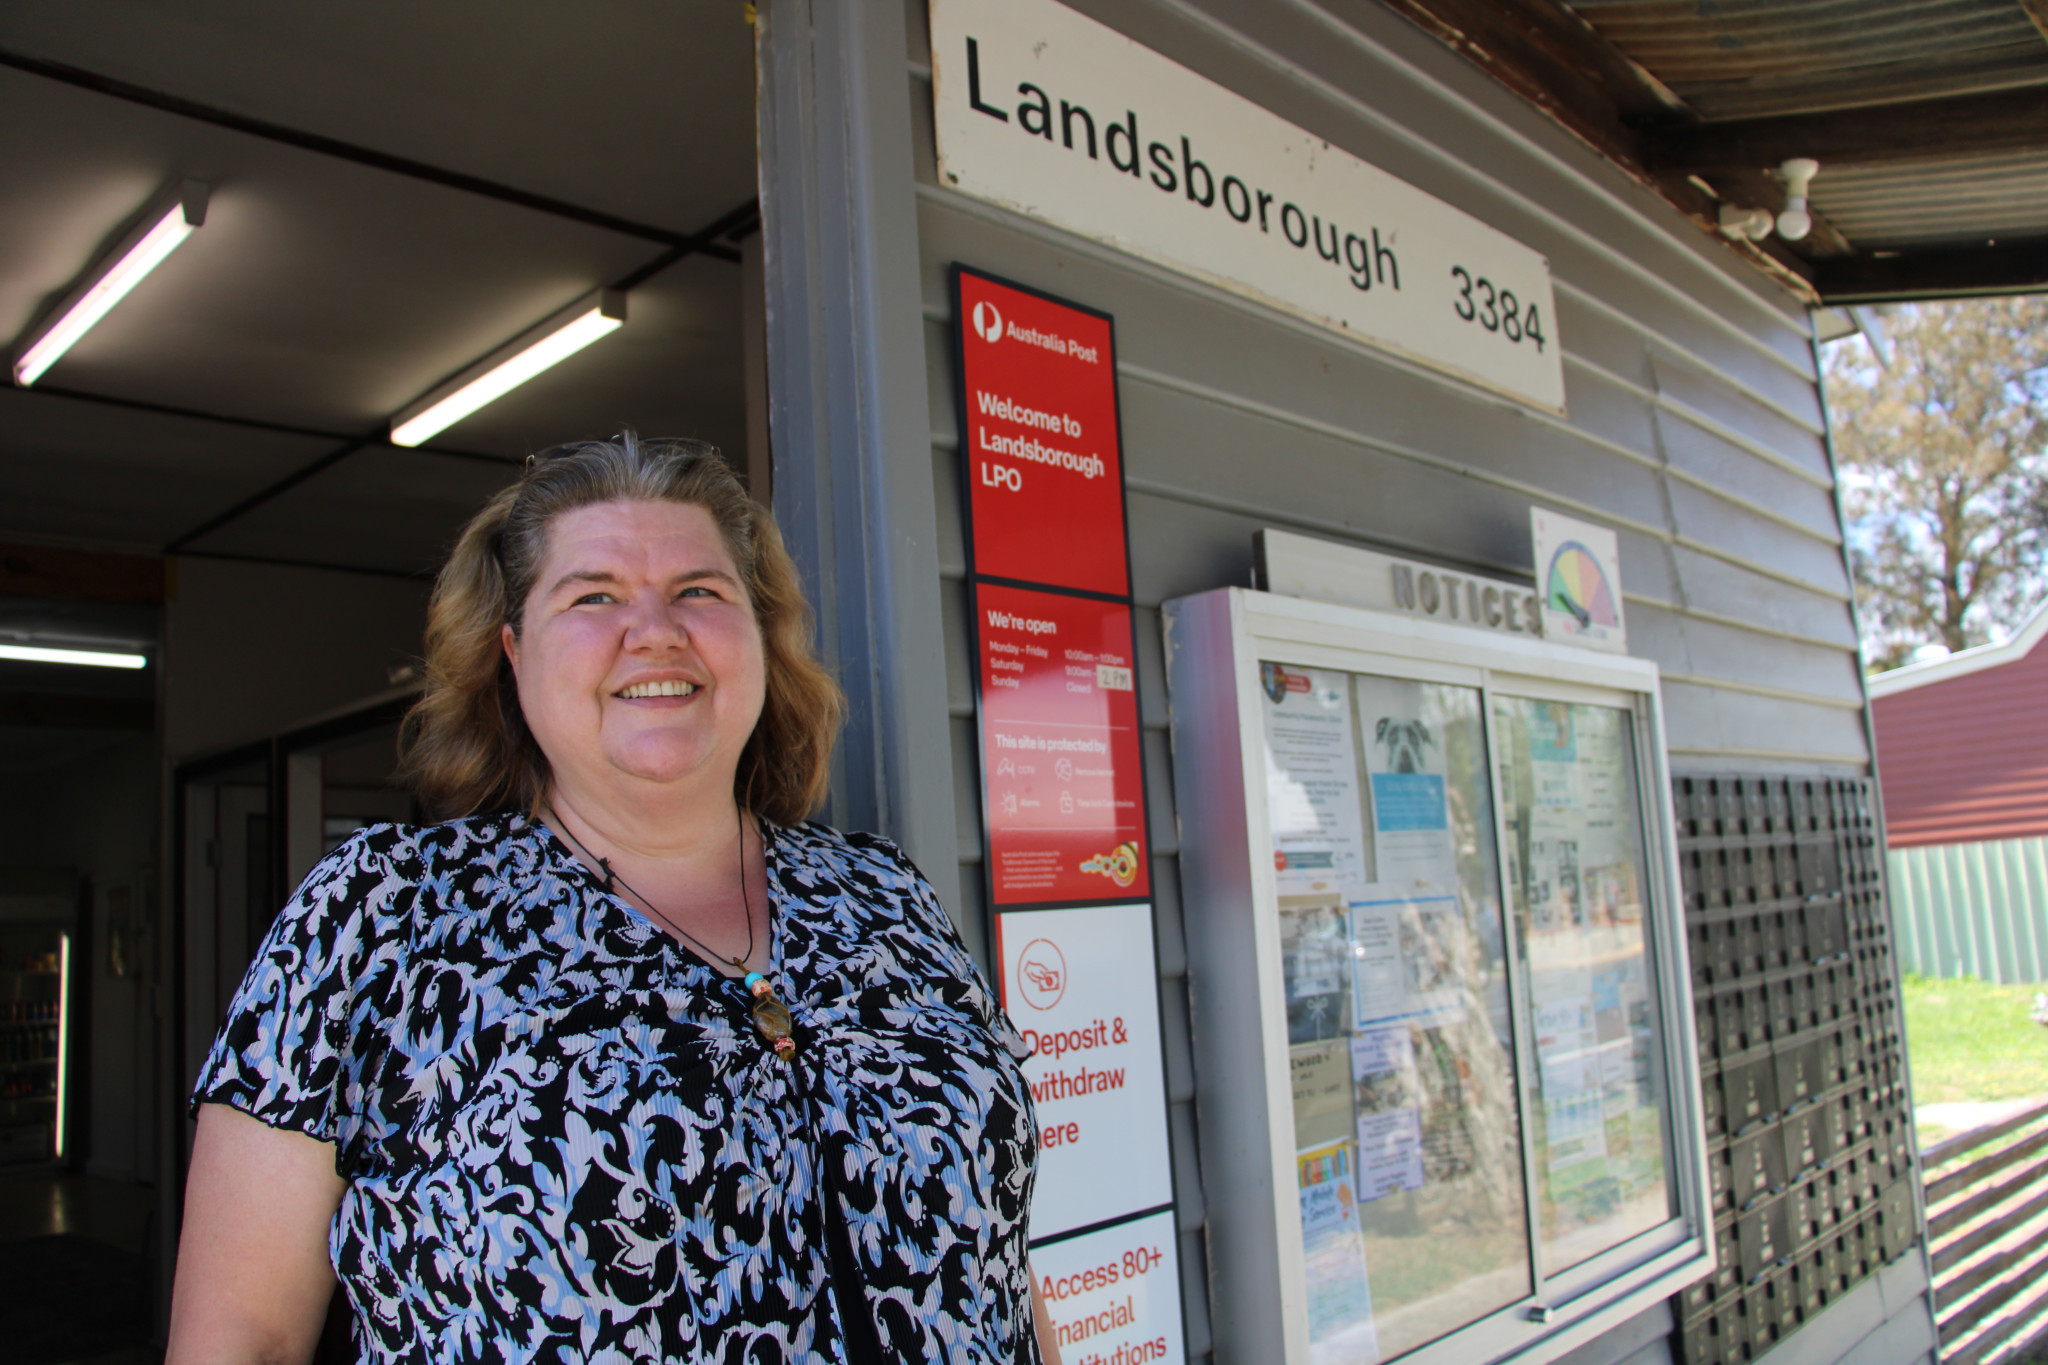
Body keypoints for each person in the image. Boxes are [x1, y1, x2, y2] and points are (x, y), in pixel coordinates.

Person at [168, 435, 1061, 1364]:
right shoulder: (382, 917)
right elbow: (244, 1335)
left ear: (759, 635)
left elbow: (998, 1257)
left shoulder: (887, 894)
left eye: (700, 591)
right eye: (593, 595)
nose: (656, 630)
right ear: (512, 652)